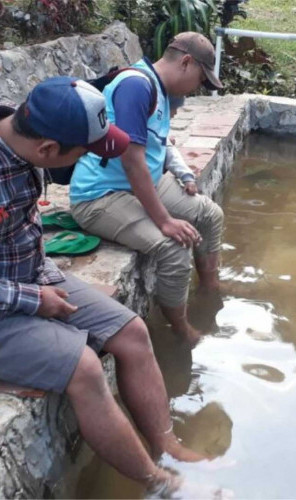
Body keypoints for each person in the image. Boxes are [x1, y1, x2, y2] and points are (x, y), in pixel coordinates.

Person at [0, 76, 206, 495]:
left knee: (131, 330)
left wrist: (42, 282)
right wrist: (32, 300)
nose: (98, 158)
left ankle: (165, 442)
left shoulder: (20, 137)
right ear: (48, 152)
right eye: (87, 152)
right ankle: (158, 482)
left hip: (30, 277)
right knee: (85, 369)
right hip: (12, 298)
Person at [70, 32, 225, 348]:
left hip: (144, 183)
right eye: (200, 78)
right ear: (185, 62)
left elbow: (159, 145)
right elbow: (132, 161)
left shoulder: (162, 90)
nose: (198, 87)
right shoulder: (136, 86)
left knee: (210, 214)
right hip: (101, 196)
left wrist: (181, 174)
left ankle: (211, 291)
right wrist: (165, 221)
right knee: (173, 248)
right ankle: (180, 330)